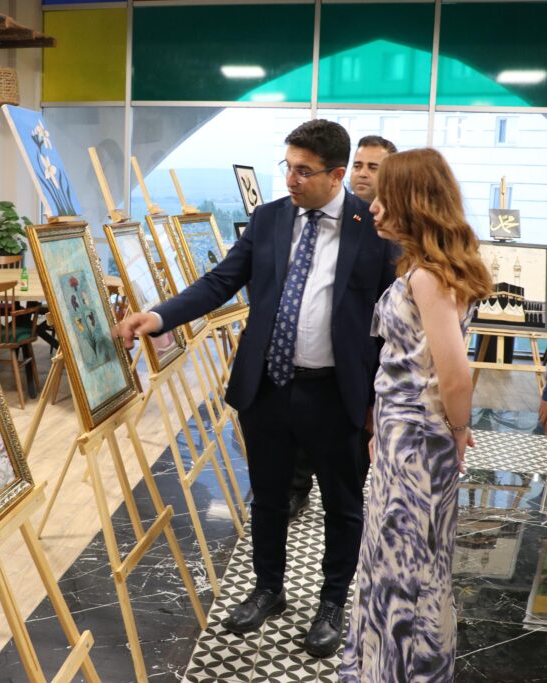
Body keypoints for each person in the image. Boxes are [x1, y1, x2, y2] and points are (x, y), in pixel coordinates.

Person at [114, 119, 396, 657]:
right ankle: (268, 589)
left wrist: (377, 400)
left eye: (304, 171)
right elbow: (219, 282)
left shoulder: (373, 228)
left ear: (337, 175)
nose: (291, 179)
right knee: (268, 497)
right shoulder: (269, 219)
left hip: (336, 392)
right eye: (287, 167)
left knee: (343, 505)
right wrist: (159, 316)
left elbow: (390, 320)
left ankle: (332, 603)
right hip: (267, 386)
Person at [339, 148, 492, 681]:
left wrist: (457, 430)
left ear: (414, 202)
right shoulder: (426, 269)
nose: (374, 207)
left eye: (386, 198)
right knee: (408, 562)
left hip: (416, 444)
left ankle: (394, 670)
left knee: (401, 571)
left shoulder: (427, 276)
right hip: (405, 435)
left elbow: (454, 374)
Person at [289, 134, 397, 519]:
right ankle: (297, 489)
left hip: (358, 368)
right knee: (299, 443)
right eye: (358, 165)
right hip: (307, 363)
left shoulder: (388, 231)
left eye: (373, 167)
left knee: (345, 482)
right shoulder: (325, 215)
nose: (362, 174)